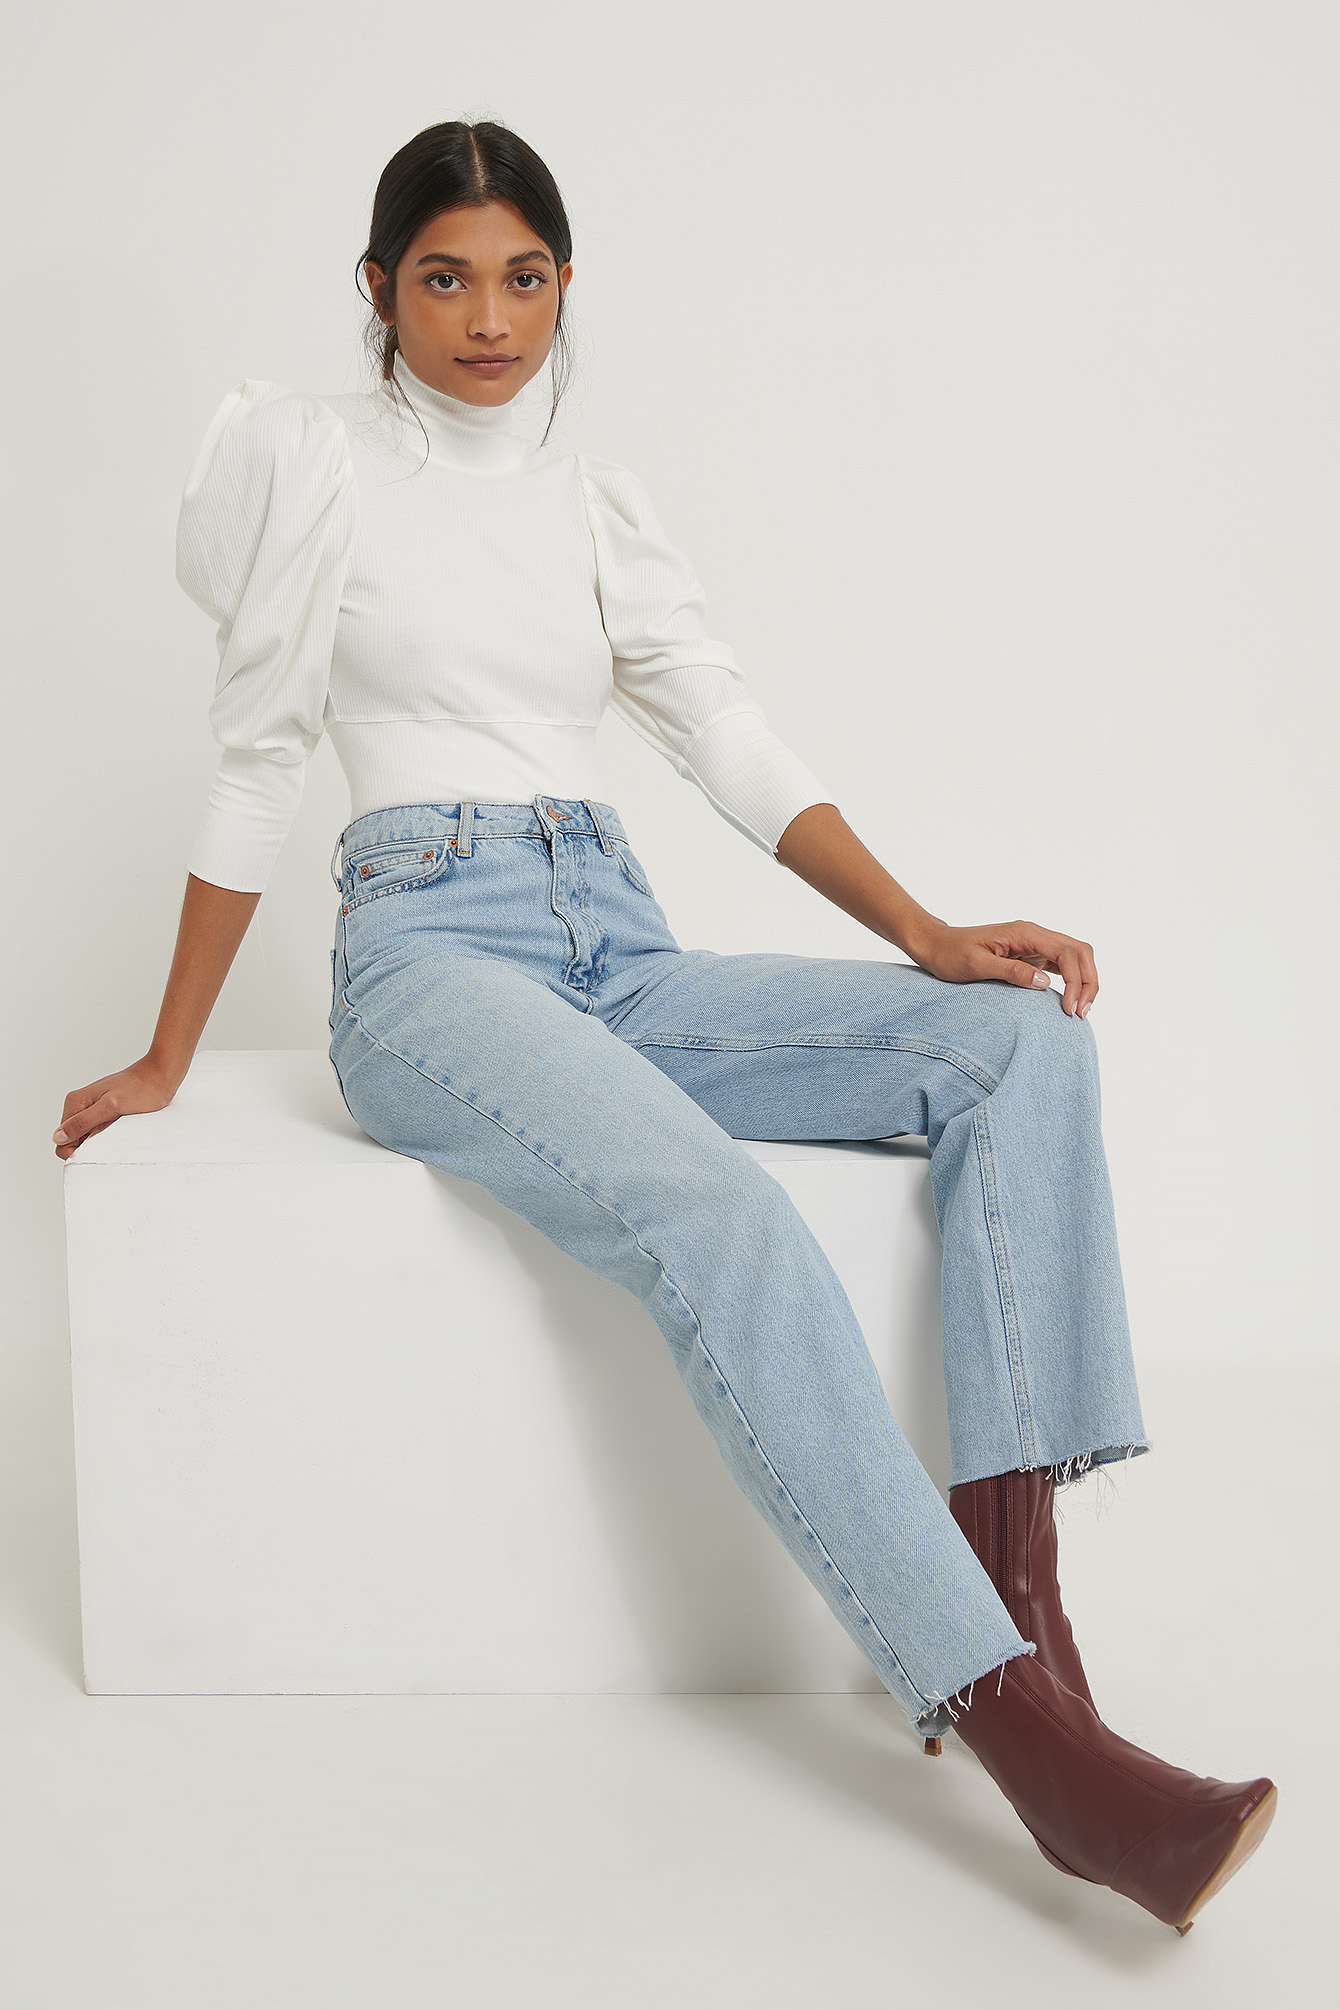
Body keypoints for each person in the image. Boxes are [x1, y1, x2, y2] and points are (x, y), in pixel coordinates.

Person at [53, 119, 1275, 1933]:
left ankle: (1031, 1616)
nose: (489, 318)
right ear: (378, 287)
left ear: (566, 283)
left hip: (611, 936)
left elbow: (724, 735)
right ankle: (1039, 1754)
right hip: (429, 959)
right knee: (723, 1216)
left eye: (524, 277)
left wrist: (927, 930)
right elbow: (254, 761)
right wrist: (167, 1055)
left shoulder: (590, 503)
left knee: (1022, 1043)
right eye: (445, 277)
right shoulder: (313, 463)